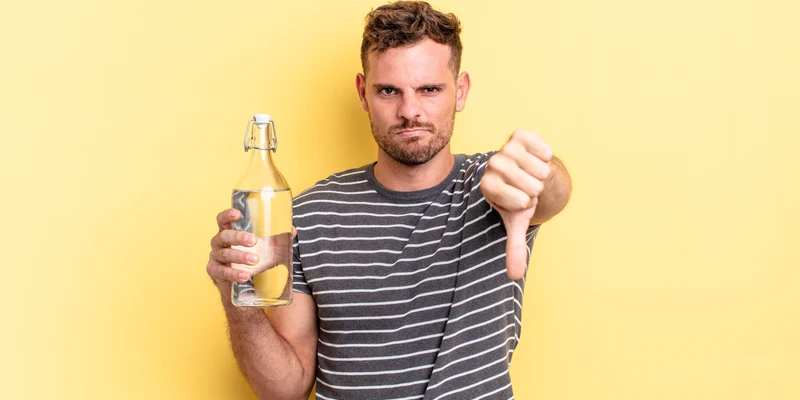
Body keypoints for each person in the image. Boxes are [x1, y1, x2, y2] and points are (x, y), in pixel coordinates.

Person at [207, 1, 572, 398]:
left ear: (460, 91)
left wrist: (537, 174)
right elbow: (286, 389)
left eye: (429, 89)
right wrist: (234, 295)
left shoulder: (492, 187)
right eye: (388, 91)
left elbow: (552, 193)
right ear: (363, 93)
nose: (409, 111)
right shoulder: (309, 215)